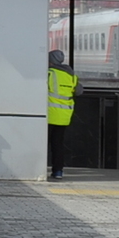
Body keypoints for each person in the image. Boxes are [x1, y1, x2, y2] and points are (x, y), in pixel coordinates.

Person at [46, 49, 77, 181]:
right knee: (57, 144)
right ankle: (58, 171)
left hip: (49, 114)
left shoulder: (49, 74)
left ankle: (36, 169)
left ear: (50, 61)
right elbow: (79, 90)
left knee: (42, 143)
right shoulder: (71, 76)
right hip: (64, 115)